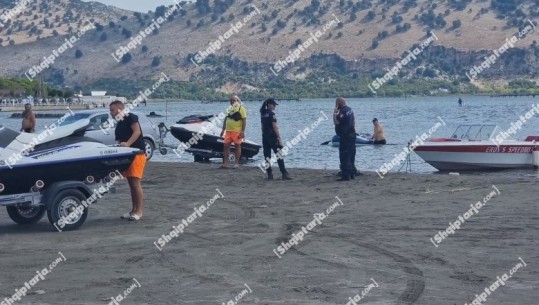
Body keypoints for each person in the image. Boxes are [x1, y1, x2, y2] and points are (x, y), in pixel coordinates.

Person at [110, 100, 147, 221]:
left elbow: (137, 132)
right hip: (127, 156)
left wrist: (128, 144)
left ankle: (139, 211)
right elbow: (119, 141)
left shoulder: (130, 117)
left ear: (119, 109)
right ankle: (133, 210)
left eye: (112, 110)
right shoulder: (119, 123)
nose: (111, 113)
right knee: (131, 183)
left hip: (137, 153)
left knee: (136, 183)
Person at [260, 98, 292, 180]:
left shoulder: (263, 113)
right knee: (279, 155)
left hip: (265, 137)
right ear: (270, 105)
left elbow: (262, 127)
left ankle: (269, 174)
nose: (275, 106)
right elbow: (274, 127)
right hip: (272, 137)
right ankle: (284, 173)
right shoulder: (271, 114)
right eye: (274, 105)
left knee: (267, 156)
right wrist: (279, 138)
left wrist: (264, 135)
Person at [220, 95, 247, 168]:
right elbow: (226, 119)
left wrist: (242, 131)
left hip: (237, 130)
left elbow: (244, 121)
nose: (232, 102)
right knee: (226, 146)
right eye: (231, 100)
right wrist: (223, 130)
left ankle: (236, 163)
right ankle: (225, 164)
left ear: (237, 101)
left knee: (237, 146)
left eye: (234, 100)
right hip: (228, 130)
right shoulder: (229, 108)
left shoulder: (241, 108)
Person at [333, 97, 356, 181]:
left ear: (339, 103)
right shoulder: (350, 110)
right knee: (351, 154)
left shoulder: (342, 112)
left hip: (345, 136)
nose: (335, 105)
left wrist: (334, 114)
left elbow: (336, 122)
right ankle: (352, 173)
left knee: (344, 155)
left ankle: (346, 175)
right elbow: (353, 121)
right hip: (352, 135)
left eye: (336, 103)